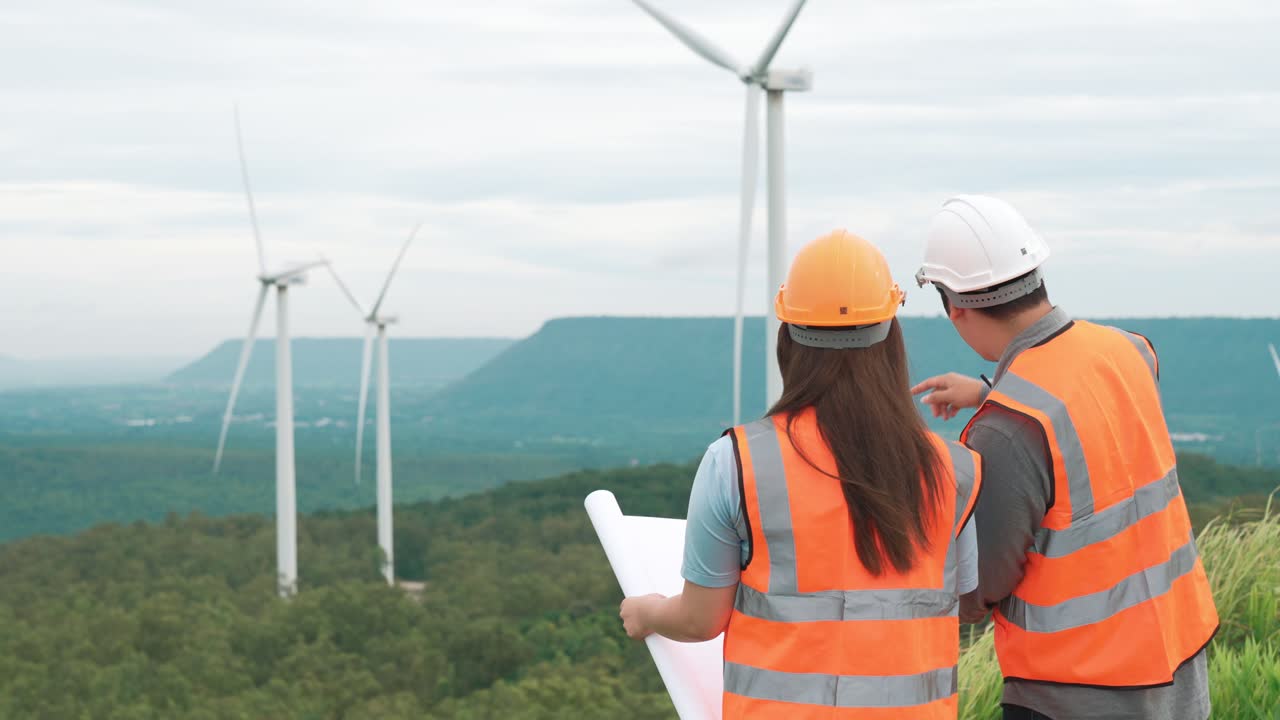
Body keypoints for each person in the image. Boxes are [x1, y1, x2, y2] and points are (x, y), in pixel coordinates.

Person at [619, 230, 983, 719]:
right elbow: (963, 603)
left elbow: (701, 619)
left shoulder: (736, 461)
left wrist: (647, 612)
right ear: (891, 337)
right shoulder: (952, 468)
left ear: (788, 337)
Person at [911, 195, 1219, 720]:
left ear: (955, 304)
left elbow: (981, 585)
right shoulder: (1131, 350)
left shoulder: (1004, 432)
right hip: (1180, 660)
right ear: (1034, 273)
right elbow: (1083, 422)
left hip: (1077, 689)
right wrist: (992, 393)